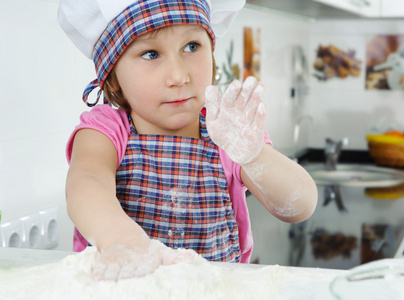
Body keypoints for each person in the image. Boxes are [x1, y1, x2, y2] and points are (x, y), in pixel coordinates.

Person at [58, 0, 318, 281]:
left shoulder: (225, 131)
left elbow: (299, 206)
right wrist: (123, 240)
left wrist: (255, 157)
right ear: (114, 76)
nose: (179, 76)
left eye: (192, 47)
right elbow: (86, 185)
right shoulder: (106, 131)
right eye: (151, 54)